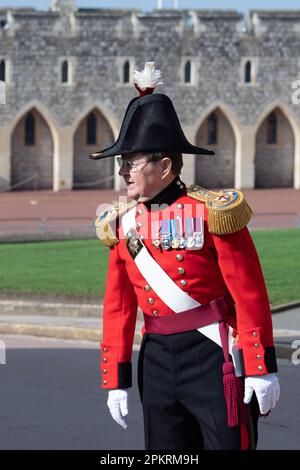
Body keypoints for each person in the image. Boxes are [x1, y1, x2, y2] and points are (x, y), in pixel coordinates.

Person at [89, 62, 280, 450]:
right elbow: (118, 309)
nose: (123, 171)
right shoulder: (122, 224)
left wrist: (260, 368)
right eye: (121, 162)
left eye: (132, 162)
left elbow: (248, 294)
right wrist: (116, 380)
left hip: (212, 352)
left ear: (164, 165)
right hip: (156, 359)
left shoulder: (213, 211)